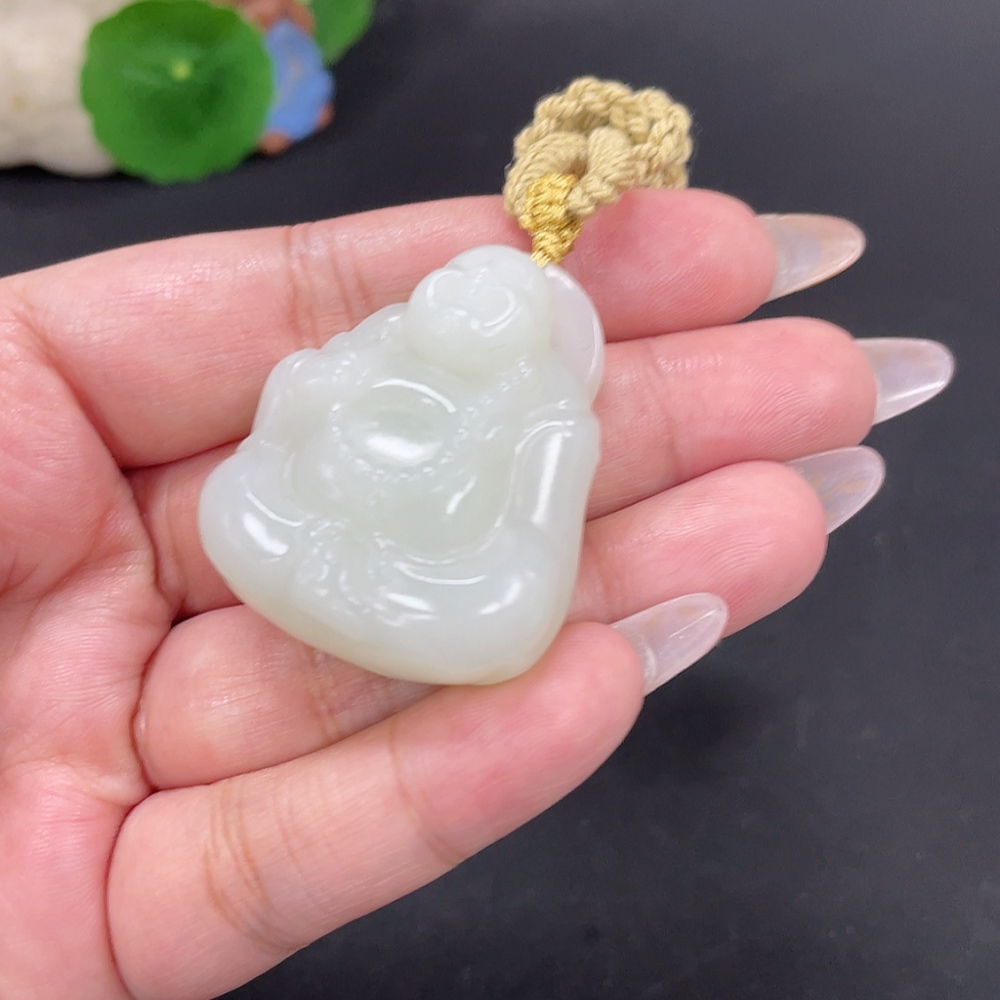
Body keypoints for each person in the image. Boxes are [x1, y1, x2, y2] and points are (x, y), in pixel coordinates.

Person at [0, 189, 950, 999]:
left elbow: (530, 547)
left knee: (506, 622)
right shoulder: (365, 359)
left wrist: (447, 550)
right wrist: (308, 394)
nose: (461, 308)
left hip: (427, 575)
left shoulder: (545, 420)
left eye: (493, 307)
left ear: (528, 342)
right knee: (231, 505)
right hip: (292, 528)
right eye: (451, 288)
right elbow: (279, 441)